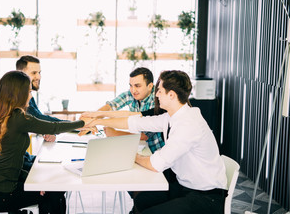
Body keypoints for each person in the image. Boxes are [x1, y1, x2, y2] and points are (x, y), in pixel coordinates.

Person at [83, 70, 227, 214]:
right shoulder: (171, 117)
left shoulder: (188, 124)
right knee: (141, 200)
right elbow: (134, 122)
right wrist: (97, 120)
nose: (156, 95)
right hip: (185, 188)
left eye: (159, 91)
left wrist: (131, 155)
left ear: (171, 95)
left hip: (207, 197)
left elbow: (154, 164)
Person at [0, 71, 87, 214]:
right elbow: (53, 127)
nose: (31, 96)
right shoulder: (18, 118)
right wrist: (83, 123)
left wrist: (38, 183)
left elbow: (10, 164)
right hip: (3, 195)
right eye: (29, 92)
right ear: (18, 94)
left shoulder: (1, 116)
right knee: (55, 190)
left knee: (52, 186)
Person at [88, 67, 165, 153]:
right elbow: (111, 106)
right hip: (141, 147)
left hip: (156, 151)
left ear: (150, 86)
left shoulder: (158, 101)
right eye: (131, 86)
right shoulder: (131, 94)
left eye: (137, 86)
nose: (133, 90)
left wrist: (114, 133)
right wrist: (91, 119)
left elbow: (144, 136)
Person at [16, 55, 65, 170]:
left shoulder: (27, 93)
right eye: (34, 73)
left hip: (24, 158)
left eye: (39, 72)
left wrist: (45, 131)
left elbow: (37, 117)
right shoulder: (18, 98)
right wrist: (79, 125)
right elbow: (37, 117)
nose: (38, 76)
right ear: (21, 74)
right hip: (17, 165)